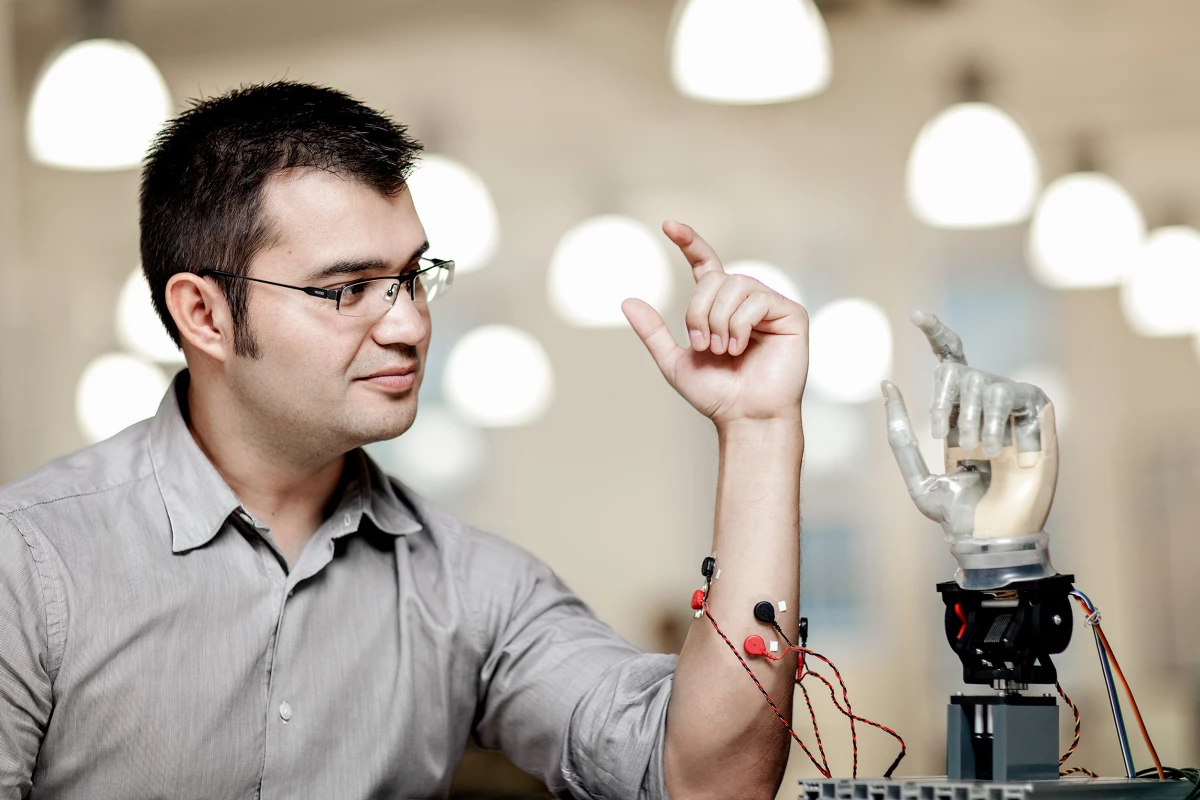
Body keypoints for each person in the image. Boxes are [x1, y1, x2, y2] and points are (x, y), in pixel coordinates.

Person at [0, 81, 808, 799]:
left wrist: (761, 430)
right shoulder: (29, 566)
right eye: (348, 289)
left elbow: (709, 781)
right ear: (204, 314)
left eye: (413, 276)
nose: (410, 323)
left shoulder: (474, 589)